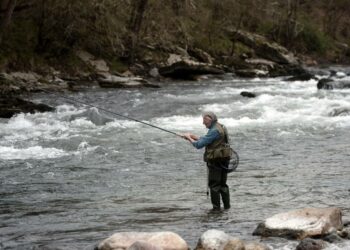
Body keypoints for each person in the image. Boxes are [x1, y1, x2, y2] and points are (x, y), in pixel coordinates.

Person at [182, 112, 230, 211]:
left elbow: (198, 145)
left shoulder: (214, 131)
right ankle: (227, 207)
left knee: (214, 185)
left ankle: (216, 210)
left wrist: (189, 138)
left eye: (205, 121)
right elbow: (211, 140)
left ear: (211, 119)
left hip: (216, 160)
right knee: (223, 185)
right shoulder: (220, 127)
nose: (203, 123)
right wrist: (194, 137)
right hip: (224, 159)